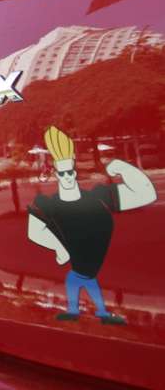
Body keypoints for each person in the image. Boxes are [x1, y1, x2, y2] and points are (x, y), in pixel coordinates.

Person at [27, 125, 157, 325]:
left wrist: (123, 168)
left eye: (70, 172)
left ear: (75, 172)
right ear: (55, 174)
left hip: (89, 264)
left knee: (79, 279)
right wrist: (59, 247)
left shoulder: (99, 197)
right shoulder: (49, 204)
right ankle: (92, 312)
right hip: (82, 263)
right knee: (80, 280)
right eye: (62, 174)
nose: (67, 177)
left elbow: (145, 194)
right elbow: (35, 231)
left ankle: (92, 312)